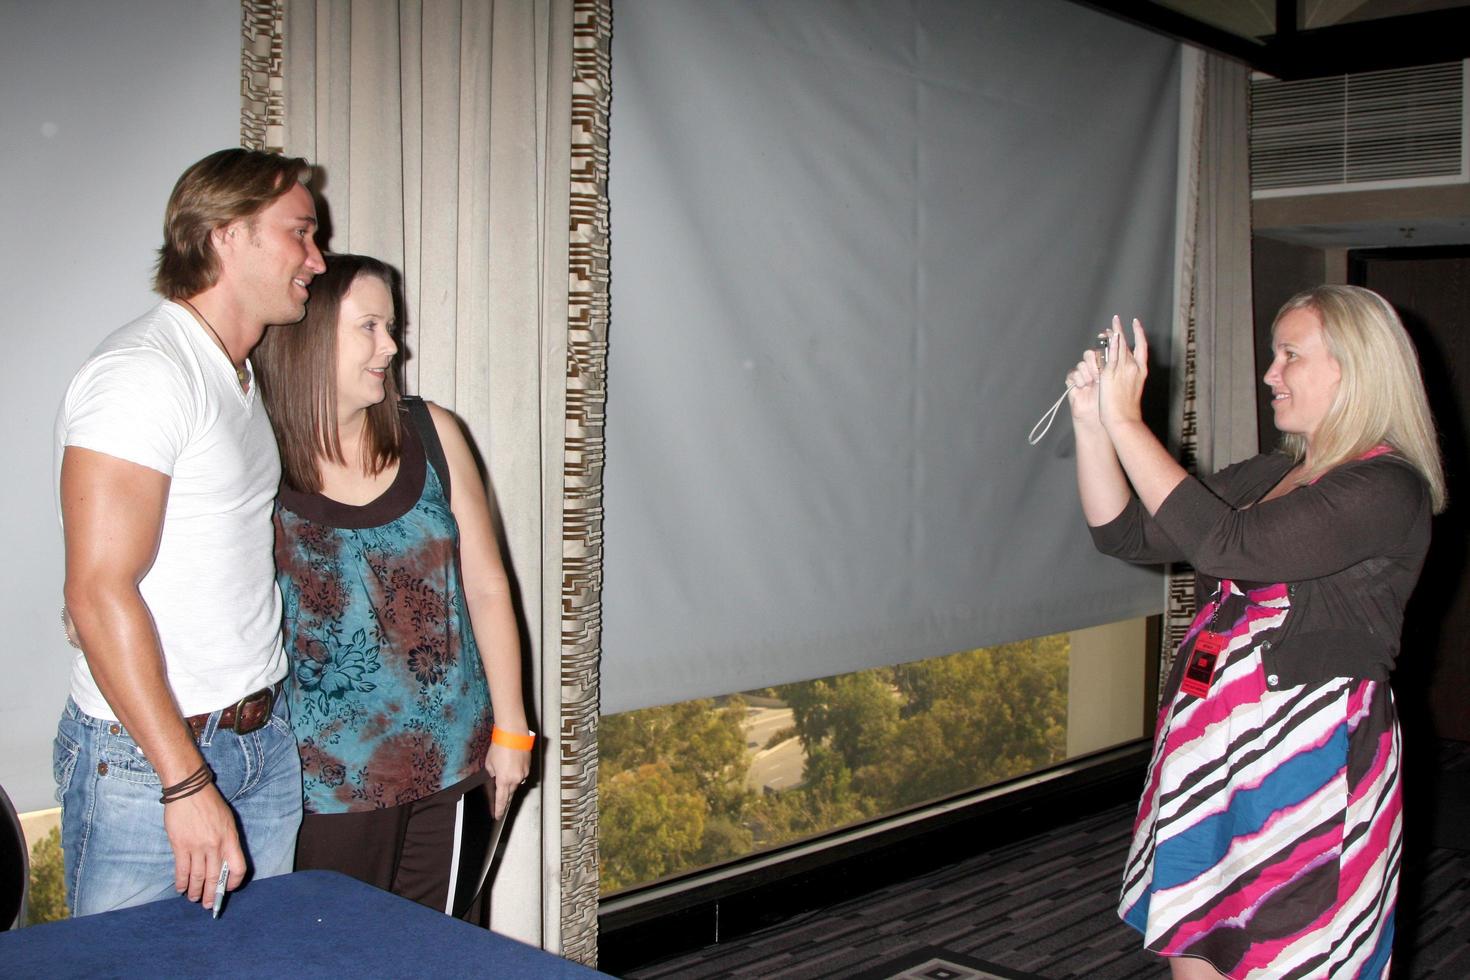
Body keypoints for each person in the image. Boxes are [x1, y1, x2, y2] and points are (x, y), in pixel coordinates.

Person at [1068, 286, 1445, 980]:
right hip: (1210, 743)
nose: (1271, 373)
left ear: (1352, 368)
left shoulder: (1387, 488)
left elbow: (1225, 546)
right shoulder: (1274, 473)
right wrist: (1095, 425)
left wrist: (1130, 423)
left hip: (1304, 755)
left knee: (1290, 957)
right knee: (1196, 945)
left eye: (1289, 355)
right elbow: (1124, 532)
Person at [54, 148, 326, 916]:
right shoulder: (144, 374)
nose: (317, 256)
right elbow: (97, 589)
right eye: (300, 233)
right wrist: (186, 780)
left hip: (260, 743)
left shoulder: (236, 375)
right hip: (153, 764)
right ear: (225, 234)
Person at [253, 253, 533, 915]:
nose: (391, 345)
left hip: (450, 767)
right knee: (330, 959)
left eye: (391, 326)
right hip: (320, 788)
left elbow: (488, 586)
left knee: (438, 953)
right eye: (370, 327)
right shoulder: (255, 459)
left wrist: (513, 729)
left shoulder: (432, 432)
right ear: (307, 337)